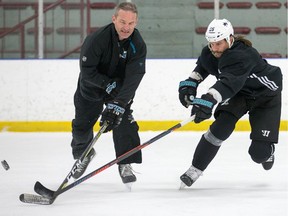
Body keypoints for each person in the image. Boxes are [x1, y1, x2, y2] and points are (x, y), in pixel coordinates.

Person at [178, 18, 282, 187]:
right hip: (239, 94)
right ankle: (195, 169)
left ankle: (268, 152)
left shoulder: (243, 55)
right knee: (219, 129)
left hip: (265, 96)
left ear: (230, 39)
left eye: (218, 44)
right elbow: (204, 66)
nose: (214, 48)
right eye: (211, 44)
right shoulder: (211, 51)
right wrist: (191, 83)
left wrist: (209, 99)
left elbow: (227, 82)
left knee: (258, 154)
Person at [70, 2, 146, 186]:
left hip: (118, 91)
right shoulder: (97, 39)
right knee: (81, 127)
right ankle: (83, 154)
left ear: (136, 22)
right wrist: (107, 83)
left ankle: (126, 162)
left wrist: (120, 103)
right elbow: (87, 71)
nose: (126, 27)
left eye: (131, 23)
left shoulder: (138, 44)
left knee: (123, 120)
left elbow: (134, 77)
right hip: (91, 88)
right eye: (122, 22)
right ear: (114, 19)